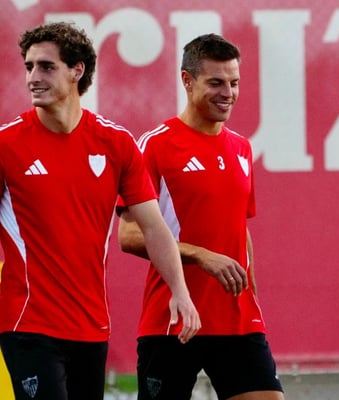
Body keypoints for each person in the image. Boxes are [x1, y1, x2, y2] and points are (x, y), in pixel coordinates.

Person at [0, 22, 201, 400]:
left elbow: (154, 227)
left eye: (46, 66)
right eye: (29, 67)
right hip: (27, 322)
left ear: (77, 70)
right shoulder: (6, 145)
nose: (33, 77)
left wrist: (180, 290)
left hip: (91, 326)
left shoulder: (116, 144)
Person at [118, 33, 284, 400]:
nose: (228, 93)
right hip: (173, 318)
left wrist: (251, 296)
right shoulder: (155, 145)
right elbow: (128, 236)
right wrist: (201, 255)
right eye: (216, 83)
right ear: (187, 81)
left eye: (234, 83)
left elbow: (239, 228)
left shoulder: (241, 147)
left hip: (238, 321)